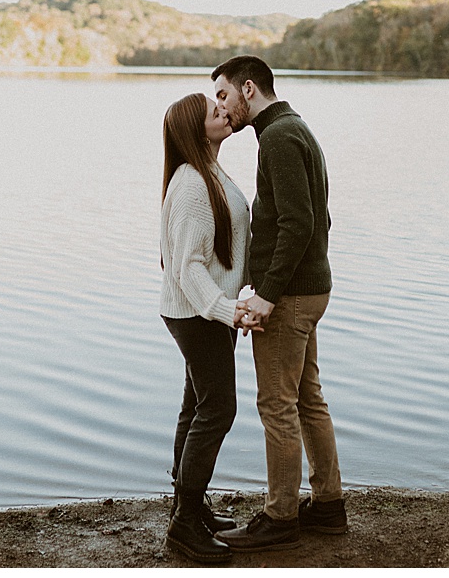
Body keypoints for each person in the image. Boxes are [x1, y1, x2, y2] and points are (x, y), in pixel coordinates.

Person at [209, 55, 345, 552]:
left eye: (223, 95)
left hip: (289, 298)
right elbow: (315, 220)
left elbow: (299, 223)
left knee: (277, 405)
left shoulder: (280, 137)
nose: (220, 107)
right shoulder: (292, 127)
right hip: (309, 289)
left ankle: (280, 516)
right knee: (307, 398)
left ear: (248, 89)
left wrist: (266, 294)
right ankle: (328, 505)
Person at [158, 91, 252, 563]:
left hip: (200, 310)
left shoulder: (208, 170)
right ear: (197, 130)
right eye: (213, 112)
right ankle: (184, 524)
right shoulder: (193, 183)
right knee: (219, 408)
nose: (223, 112)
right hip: (197, 312)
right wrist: (226, 310)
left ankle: (188, 507)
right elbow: (187, 268)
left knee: (196, 407)